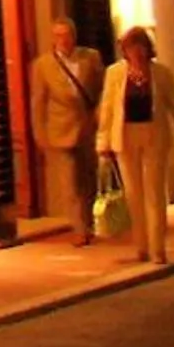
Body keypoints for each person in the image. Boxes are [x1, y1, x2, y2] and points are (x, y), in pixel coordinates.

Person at [93, 26, 174, 266]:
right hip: (125, 136)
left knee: (154, 194)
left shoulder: (161, 73)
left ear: (147, 48)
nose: (136, 52)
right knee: (133, 195)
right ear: (125, 50)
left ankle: (157, 249)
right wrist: (103, 143)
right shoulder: (115, 74)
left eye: (140, 46)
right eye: (131, 47)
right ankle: (141, 246)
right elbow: (108, 109)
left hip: (153, 135)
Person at [29, 18, 103, 244]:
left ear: (74, 35)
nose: (63, 39)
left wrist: (100, 115)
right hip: (60, 130)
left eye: (67, 34)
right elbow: (38, 102)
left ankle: (88, 222)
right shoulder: (43, 65)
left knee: (88, 179)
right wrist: (39, 133)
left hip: (87, 127)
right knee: (69, 182)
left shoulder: (90, 58)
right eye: (58, 35)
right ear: (53, 38)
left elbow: (102, 89)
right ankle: (79, 229)